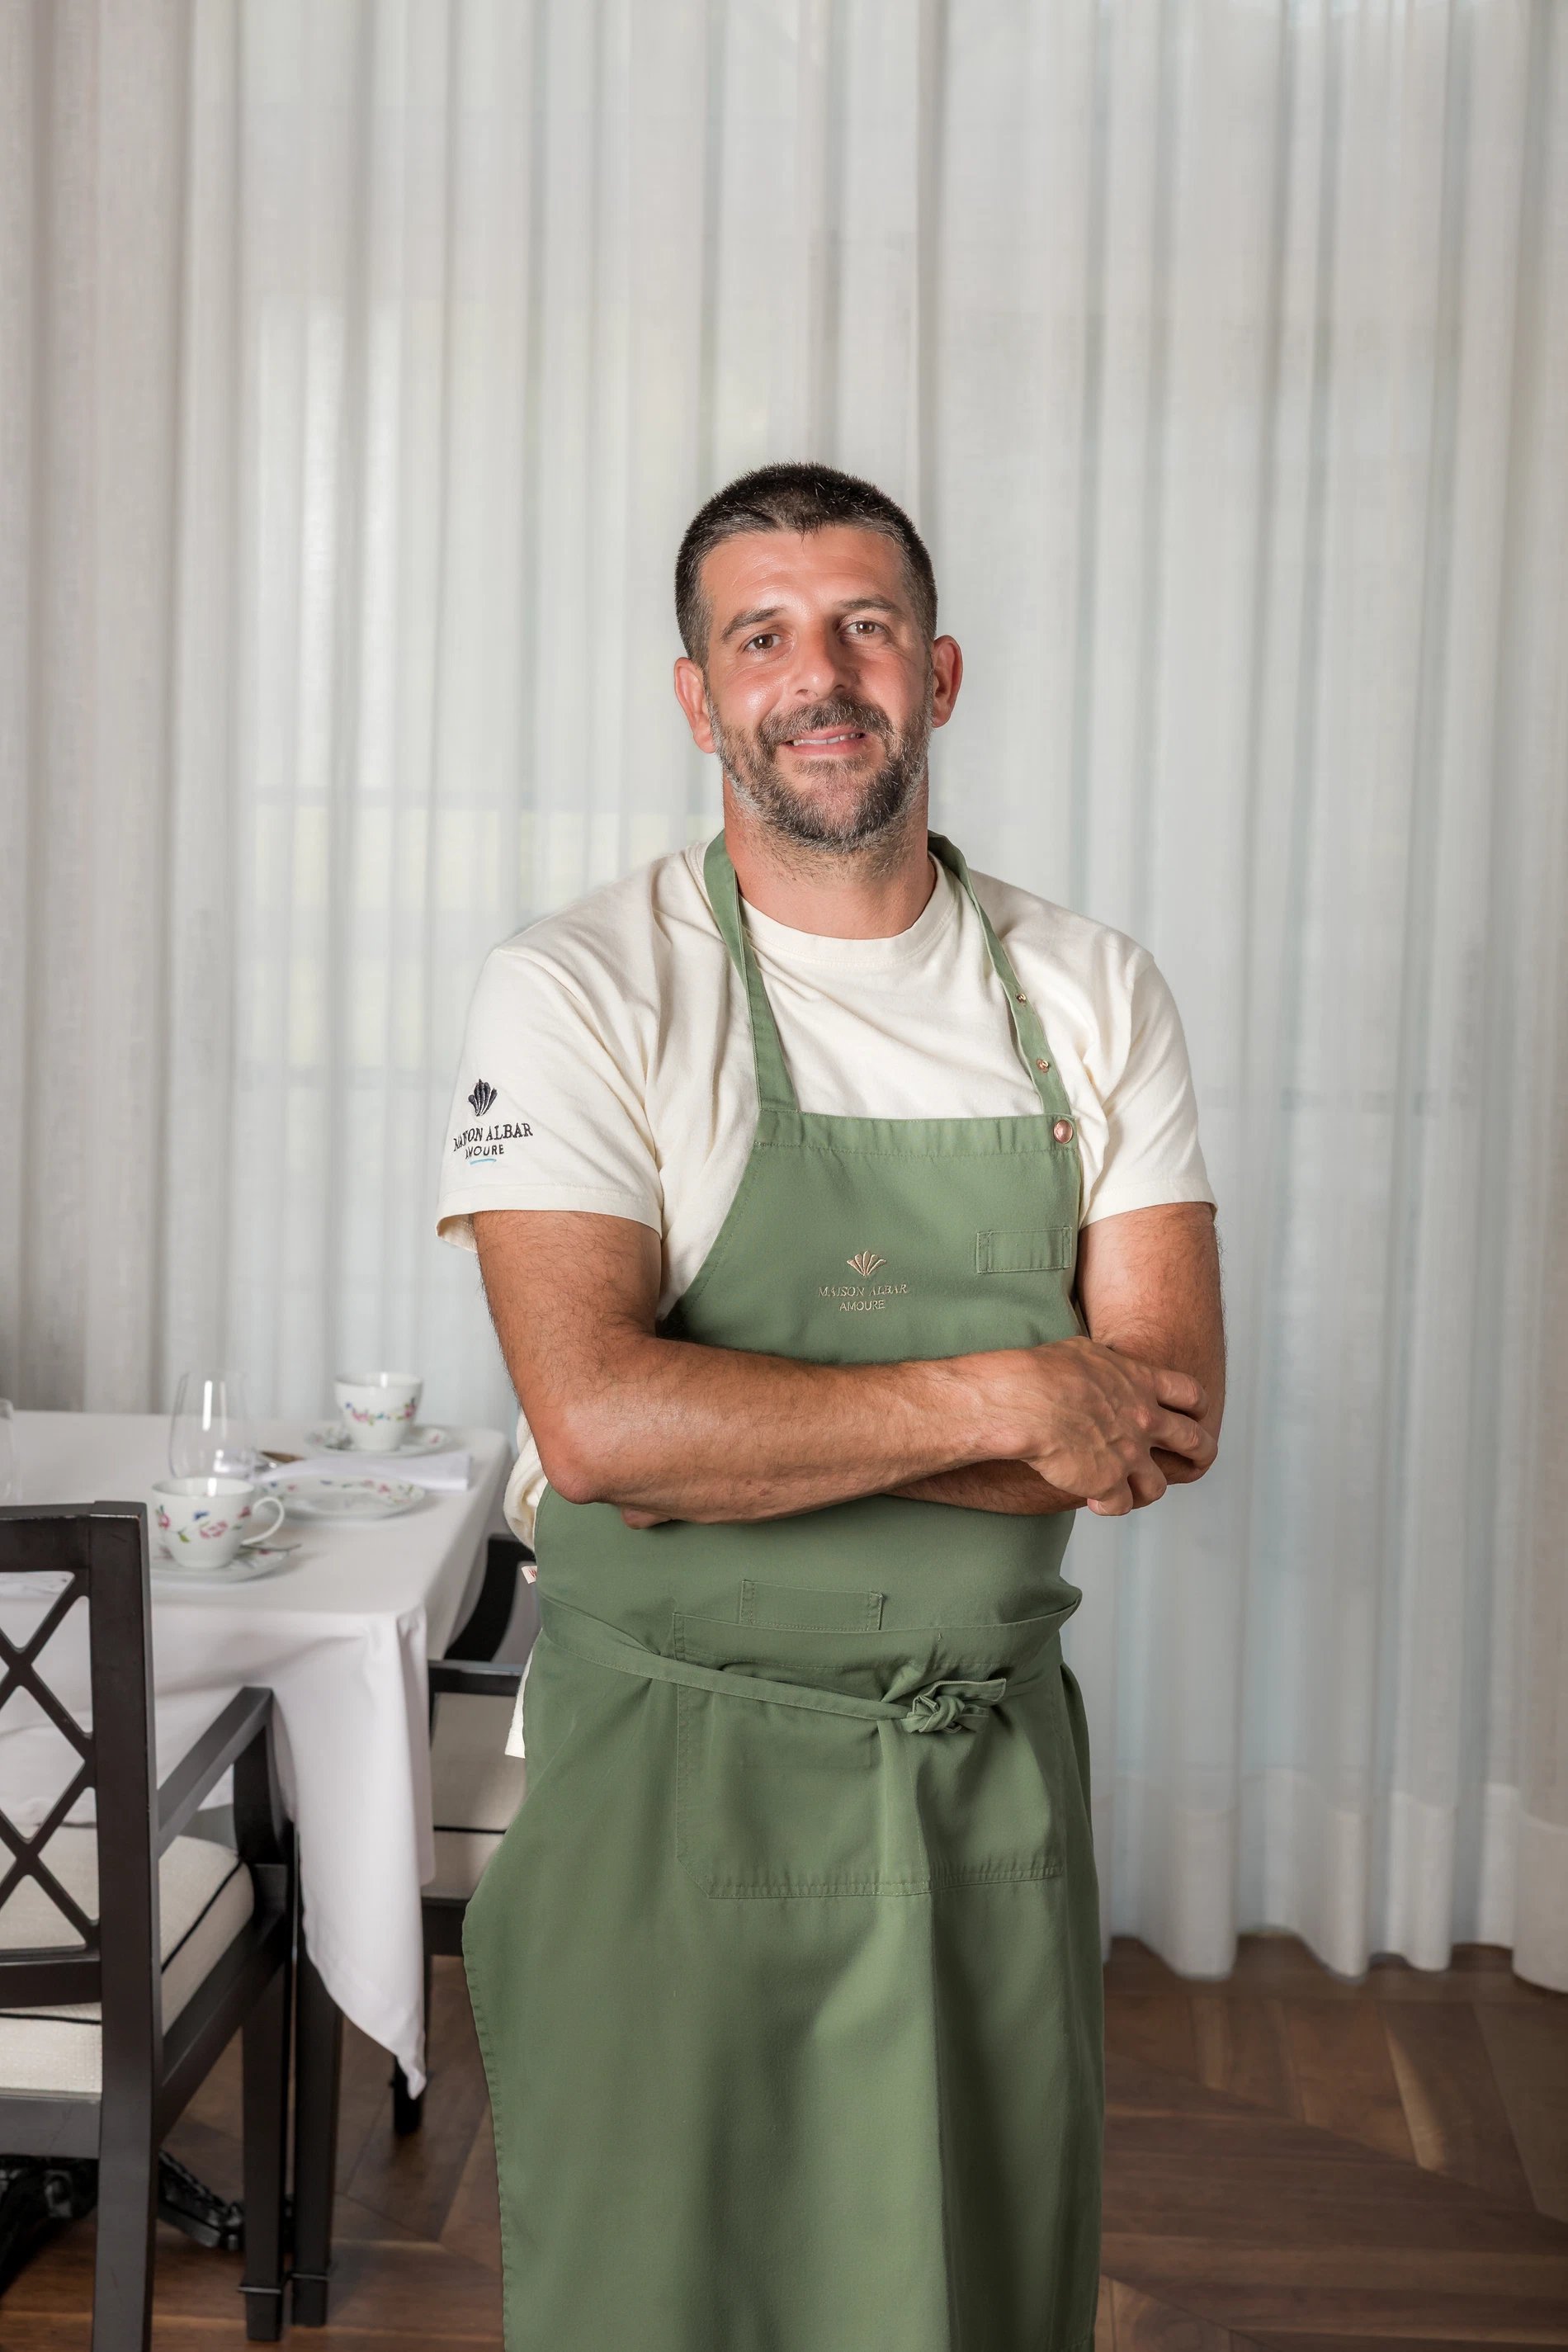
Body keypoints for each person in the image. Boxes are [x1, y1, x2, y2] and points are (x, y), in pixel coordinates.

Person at [437, 461, 1223, 2352]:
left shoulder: (1087, 988)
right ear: (696, 696)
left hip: (978, 1785)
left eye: (864, 628)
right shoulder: (582, 987)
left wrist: (741, 1439)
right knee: (655, 2308)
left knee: (965, 2301)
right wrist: (1016, 1392)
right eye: (762, 637)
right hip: (667, 1785)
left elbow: (1158, 1424)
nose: (820, 675)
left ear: (934, 674)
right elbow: (601, 1429)